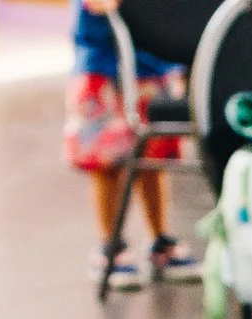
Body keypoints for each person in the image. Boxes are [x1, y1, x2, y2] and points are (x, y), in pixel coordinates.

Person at [66, 0, 200, 290]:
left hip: (153, 65)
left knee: (154, 159)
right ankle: (111, 246)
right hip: (105, 66)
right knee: (106, 162)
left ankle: (159, 241)